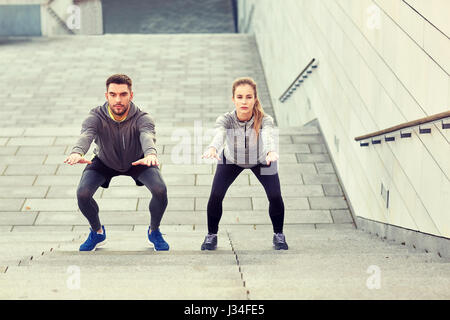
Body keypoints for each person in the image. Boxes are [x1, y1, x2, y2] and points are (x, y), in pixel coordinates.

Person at [64, 74, 169, 251]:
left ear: (131, 95)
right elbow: (86, 134)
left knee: (160, 189)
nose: (118, 99)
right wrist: (77, 151)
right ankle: (97, 233)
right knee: (83, 193)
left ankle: (154, 231)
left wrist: (150, 153)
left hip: (138, 160)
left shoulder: (142, 117)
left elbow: (147, 135)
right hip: (105, 161)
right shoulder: (96, 116)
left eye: (123, 94)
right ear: (107, 96)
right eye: (113, 94)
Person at [201, 77, 288, 250]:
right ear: (233, 99)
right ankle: (211, 235)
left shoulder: (265, 119)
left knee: (275, 196)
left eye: (249, 97)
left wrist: (271, 151)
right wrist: (212, 148)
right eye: (239, 97)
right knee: (216, 196)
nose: (244, 101)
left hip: (263, 159)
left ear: (255, 98)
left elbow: (267, 135)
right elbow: (219, 135)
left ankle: (278, 235)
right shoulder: (226, 119)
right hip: (231, 160)